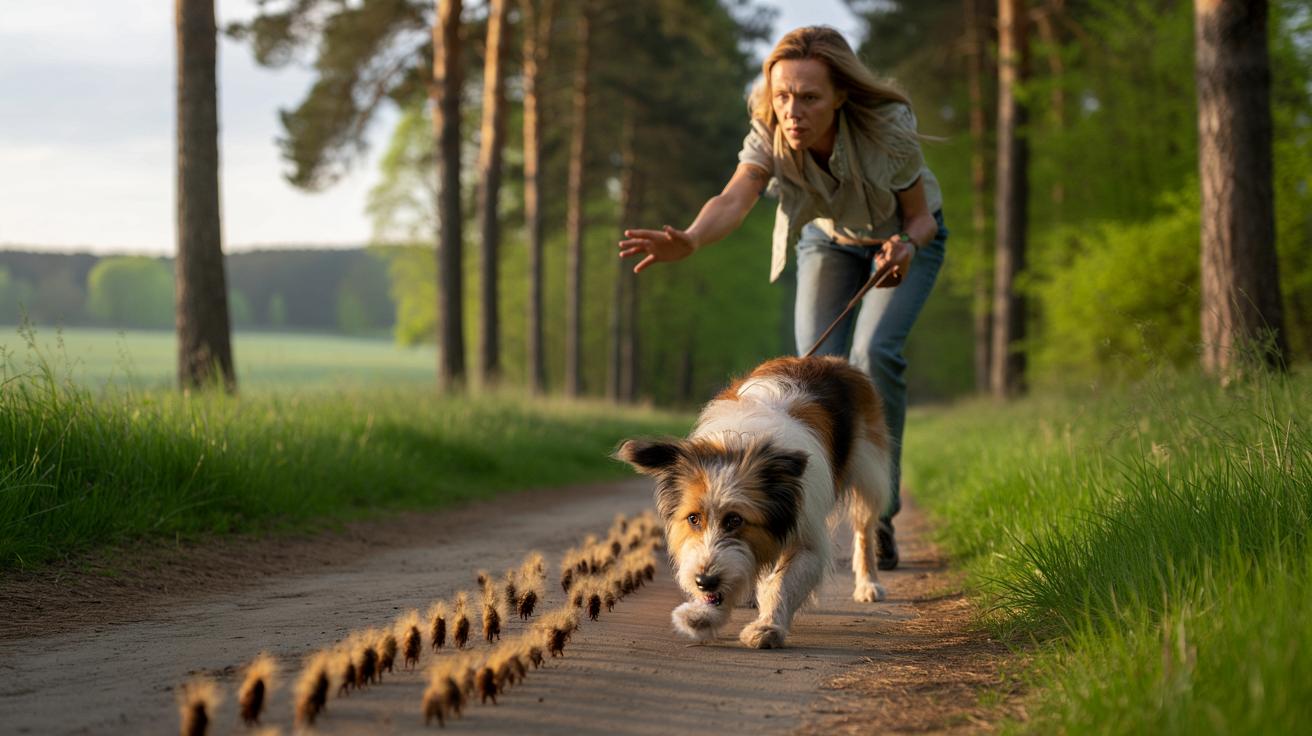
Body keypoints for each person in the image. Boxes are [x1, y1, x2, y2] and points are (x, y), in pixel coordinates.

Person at [616, 26, 948, 570]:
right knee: (814, 375)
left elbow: (920, 217)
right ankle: (800, 515)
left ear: (840, 96)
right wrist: (692, 238)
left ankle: (878, 517)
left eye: (809, 97)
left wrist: (906, 245)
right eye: (783, 96)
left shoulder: (887, 127)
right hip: (829, 240)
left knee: (873, 356)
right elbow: (734, 198)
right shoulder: (768, 133)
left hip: (905, 241)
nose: (793, 111)